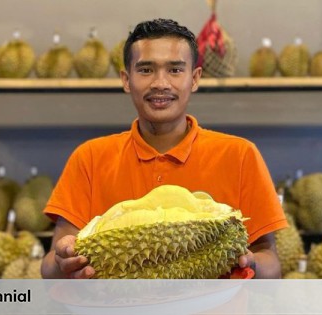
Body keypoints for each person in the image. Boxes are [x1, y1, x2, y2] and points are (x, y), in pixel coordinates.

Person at [41, 18, 287, 279]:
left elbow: (271, 263)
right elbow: (49, 266)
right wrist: (63, 261)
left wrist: (249, 261)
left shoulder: (240, 155)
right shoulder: (89, 157)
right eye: (146, 70)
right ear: (126, 80)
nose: (160, 83)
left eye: (175, 70)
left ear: (194, 79)